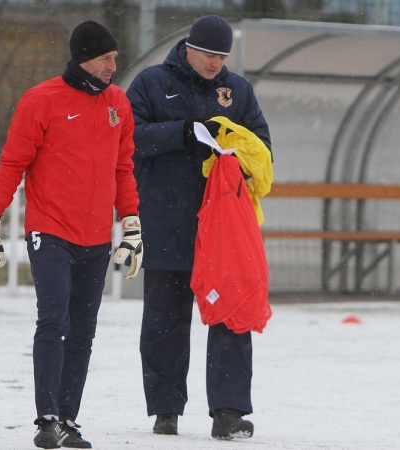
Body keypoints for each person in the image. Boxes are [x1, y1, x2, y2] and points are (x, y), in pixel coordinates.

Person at [0, 20, 143, 449]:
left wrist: (131, 222)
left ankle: (68, 419)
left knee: (84, 329)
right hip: (50, 232)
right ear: (85, 57)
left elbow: (124, 168)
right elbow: (12, 163)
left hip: (96, 238)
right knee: (54, 321)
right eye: (106, 58)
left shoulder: (118, 103)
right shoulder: (41, 100)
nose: (113, 65)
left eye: (115, 58)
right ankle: (46, 418)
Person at [125, 15, 272, 440]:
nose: (214, 63)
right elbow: (131, 139)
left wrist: (238, 159)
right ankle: (166, 409)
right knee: (164, 321)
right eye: (208, 54)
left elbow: (262, 147)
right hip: (166, 220)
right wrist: (185, 133)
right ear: (188, 47)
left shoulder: (238, 91)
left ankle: (229, 413)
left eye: (222, 56)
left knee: (231, 315)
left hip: (224, 228)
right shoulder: (151, 83)